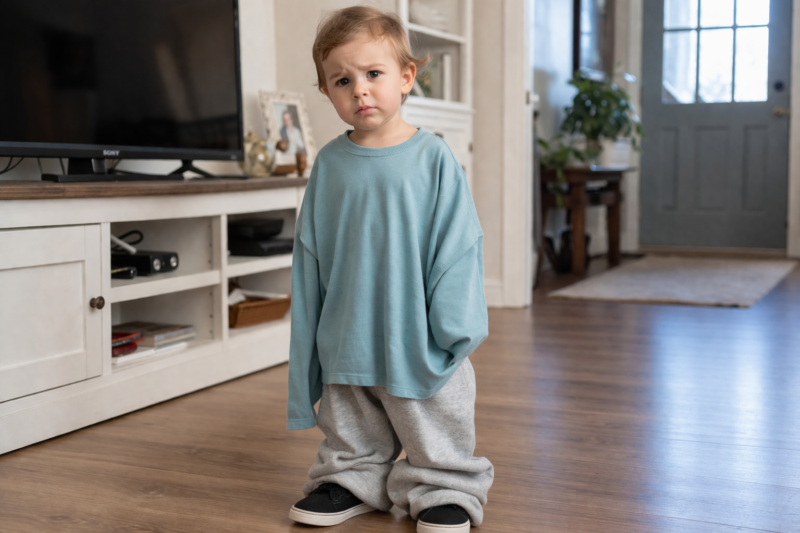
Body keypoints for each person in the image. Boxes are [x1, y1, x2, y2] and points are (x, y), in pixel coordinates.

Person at [286, 6, 493, 533]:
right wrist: (312, 338)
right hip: (348, 325)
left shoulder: (433, 158)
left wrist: (453, 329)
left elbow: (459, 244)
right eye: (342, 80)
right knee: (350, 415)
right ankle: (352, 478)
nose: (360, 90)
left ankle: (443, 485)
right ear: (327, 92)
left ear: (405, 78)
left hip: (417, 329)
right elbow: (309, 255)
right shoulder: (329, 164)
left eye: (373, 74)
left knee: (430, 415)